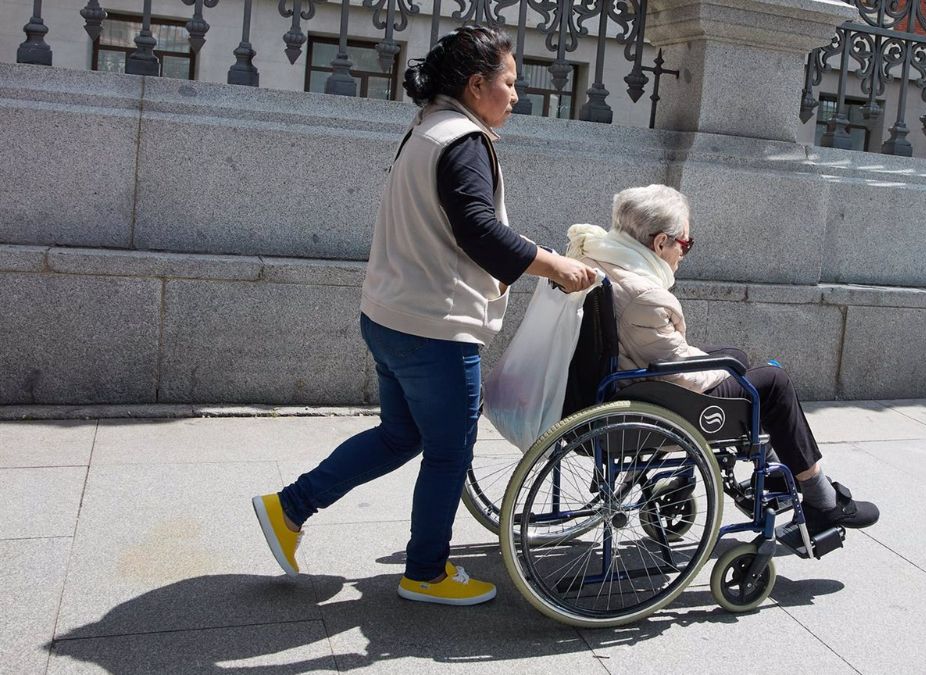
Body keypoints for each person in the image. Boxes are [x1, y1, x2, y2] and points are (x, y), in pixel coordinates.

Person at [251, 26, 596, 606]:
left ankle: (289, 508)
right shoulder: (464, 139)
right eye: (509, 84)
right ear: (477, 83)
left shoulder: (428, 129)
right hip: (434, 329)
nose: (516, 97)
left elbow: (459, 226)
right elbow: (478, 233)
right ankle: (427, 573)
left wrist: (536, 251)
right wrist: (555, 267)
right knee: (448, 451)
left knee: (400, 434)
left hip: (391, 317)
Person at [565, 185, 878, 533]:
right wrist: (724, 370)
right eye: (684, 244)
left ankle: (777, 471)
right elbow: (679, 374)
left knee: (737, 357)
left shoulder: (598, 258)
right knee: (773, 383)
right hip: (641, 396)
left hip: (610, 380)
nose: (684, 253)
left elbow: (660, 351)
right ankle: (823, 500)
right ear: (660, 243)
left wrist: (726, 364)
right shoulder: (646, 296)